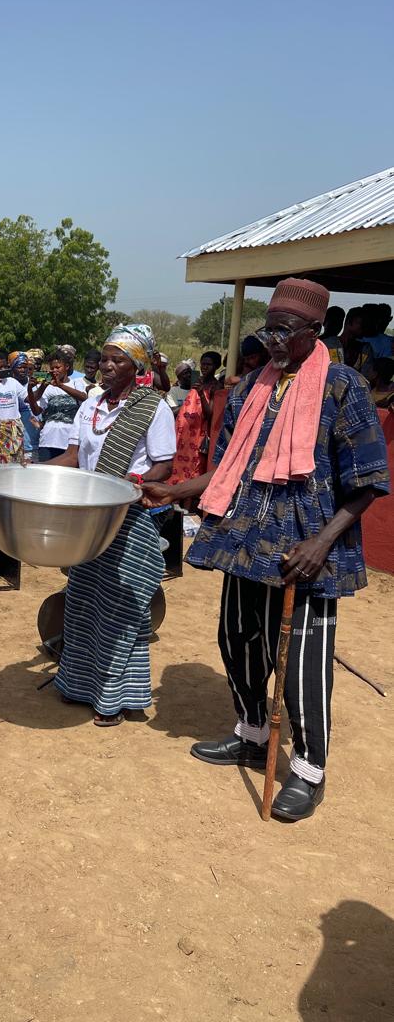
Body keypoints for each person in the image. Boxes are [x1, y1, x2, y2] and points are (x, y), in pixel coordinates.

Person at [142, 278, 389, 821]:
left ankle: (308, 770)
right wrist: (176, 489)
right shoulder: (254, 385)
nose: (273, 340)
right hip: (246, 540)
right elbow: (228, 467)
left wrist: (320, 544)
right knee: (238, 639)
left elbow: (369, 481)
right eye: (267, 329)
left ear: (315, 330)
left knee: (303, 664)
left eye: (285, 330)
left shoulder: (343, 388)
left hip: (309, 549)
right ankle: (253, 733)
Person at [48, 324, 175, 724]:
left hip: (127, 519)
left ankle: (116, 698)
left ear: (136, 366)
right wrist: (27, 469)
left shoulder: (152, 407)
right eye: (104, 358)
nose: (106, 365)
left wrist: (130, 484)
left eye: (117, 359)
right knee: (83, 602)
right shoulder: (90, 405)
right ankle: (77, 685)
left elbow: (164, 465)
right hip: (90, 522)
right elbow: (72, 456)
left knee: (121, 608)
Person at [168, 350, 222, 484]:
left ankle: (187, 499)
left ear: (216, 366)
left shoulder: (216, 386)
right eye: (202, 364)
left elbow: (210, 413)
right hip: (184, 432)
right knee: (177, 464)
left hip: (198, 434)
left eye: (208, 365)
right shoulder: (197, 381)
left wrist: (201, 394)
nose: (204, 367)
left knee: (193, 466)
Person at [26, 349, 89, 461]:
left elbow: (83, 398)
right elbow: (36, 411)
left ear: (66, 367)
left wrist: (60, 385)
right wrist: (31, 389)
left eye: (58, 367)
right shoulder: (47, 386)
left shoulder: (76, 383)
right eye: (52, 368)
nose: (54, 370)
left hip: (69, 441)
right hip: (48, 440)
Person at [0, 350, 27, 463]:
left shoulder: (12, 382)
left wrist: (40, 387)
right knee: (0, 465)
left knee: (17, 464)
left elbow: (28, 398)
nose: (3, 370)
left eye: (5, 367)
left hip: (14, 430)